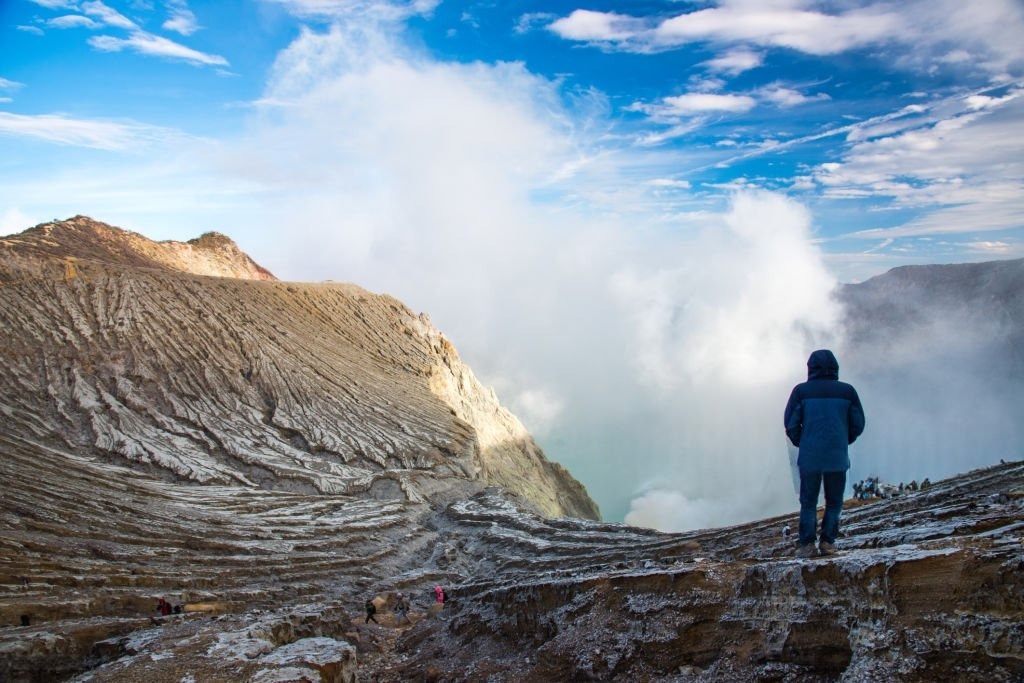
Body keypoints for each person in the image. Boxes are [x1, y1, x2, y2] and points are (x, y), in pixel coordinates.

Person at [784, 349, 865, 558]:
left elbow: (791, 423)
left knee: (808, 502)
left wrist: (803, 442)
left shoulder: (801, 392)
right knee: (835, 501)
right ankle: (828, 542)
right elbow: (858, 424)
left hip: (810, 456)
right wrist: (842, 441)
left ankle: (807, 544)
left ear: (810, 368)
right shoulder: (847, 392)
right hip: (837, 456)